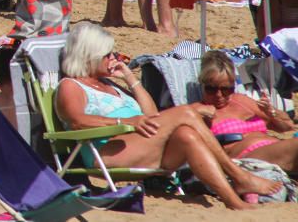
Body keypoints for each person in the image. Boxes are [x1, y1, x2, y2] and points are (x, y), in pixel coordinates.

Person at [55, 23, 281, 211]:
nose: (114, 58)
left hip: (139, 146)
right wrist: (125, 122)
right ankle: (238, 176)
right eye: (108, 55)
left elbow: (152, 115)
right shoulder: (71, 86)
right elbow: (76, 120)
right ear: (89, 57)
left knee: (186, 135)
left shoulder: (109, 85)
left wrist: (129, 79)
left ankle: (232, 200)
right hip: (107, 153)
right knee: (185, 113)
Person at [192, 51, 298, 171]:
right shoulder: (197, 110)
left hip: (274, 147)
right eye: (211, 89)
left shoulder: (241, 101)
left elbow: (287, 127)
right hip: (246, 160)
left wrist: (271, 112)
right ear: (202, 84)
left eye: (226, 89)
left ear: (233, 85)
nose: (219, 95)